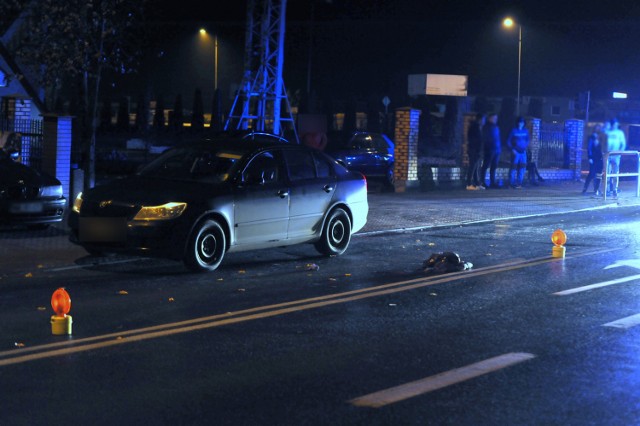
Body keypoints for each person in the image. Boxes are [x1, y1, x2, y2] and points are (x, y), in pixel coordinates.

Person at [506, 116, 530, 188]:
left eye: (522, 122)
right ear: (517, 123)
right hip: (516, 152)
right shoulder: (513, 131)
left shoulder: (526, 131)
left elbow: (528, 140)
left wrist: (525, 146)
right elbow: (508, 141)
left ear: (523, 123)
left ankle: (519, 183)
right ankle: (511, 183)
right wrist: (512, 149)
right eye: (519, 122)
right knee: (513, 167)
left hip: (523, 152)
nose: (520, 124)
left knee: (522, 168)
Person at [605, 118, 626, 196]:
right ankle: (606, 190)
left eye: (616, 124)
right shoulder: (607, 132)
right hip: (608, 155)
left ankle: (614, 189)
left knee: (615, 173)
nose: (615, 125)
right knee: (607, 173)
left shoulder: (620, 133)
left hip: (616, 156)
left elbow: (623, 144)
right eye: (614, 124)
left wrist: (620, 153)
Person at [480, 113, 501, 188]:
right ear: (490, 118)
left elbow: (497, 138)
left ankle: (493, 182)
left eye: (496, 118)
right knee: (485, 165)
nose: (495, 120)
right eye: (494, 118)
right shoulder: (486, 127)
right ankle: (482, 181)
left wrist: (499, 148)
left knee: (494, 166)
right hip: (489, 150)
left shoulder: (496, 126)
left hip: (496, 150)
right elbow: (485, 138)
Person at [582, 124, 604, 195]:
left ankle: (596, 190)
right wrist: (590, 157)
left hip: (600, 159)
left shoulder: (601, 138)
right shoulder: (591, 137)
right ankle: (585, 189)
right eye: (597, 128)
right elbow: (589, 148)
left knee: (599, 175)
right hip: (594, 159)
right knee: (591, 174)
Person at [465, 113, 485, 190]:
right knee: (473, 166)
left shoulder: (477, 127)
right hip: (474, 150)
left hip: (475, 150)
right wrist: (477, 149)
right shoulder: (475, 127)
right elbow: (475, 140)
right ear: (480, 119)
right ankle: (469, 184)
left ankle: (476, 183)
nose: (484, 121)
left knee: (476, 167)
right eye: (483, 119)